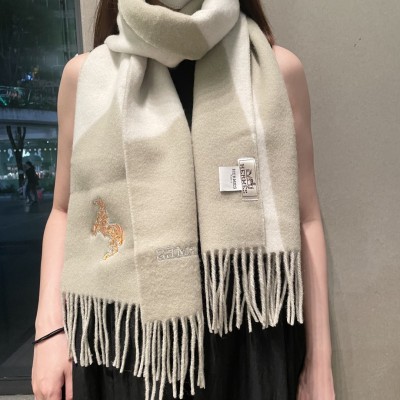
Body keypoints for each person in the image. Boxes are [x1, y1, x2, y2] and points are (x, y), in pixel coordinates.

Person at [32, 0, 335, 399]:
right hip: (127, 346)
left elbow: (306, 217)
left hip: (249, 337)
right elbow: (63, 210)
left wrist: (320, 363)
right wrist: (48, 332)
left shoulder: (276, 72)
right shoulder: (87, 78)